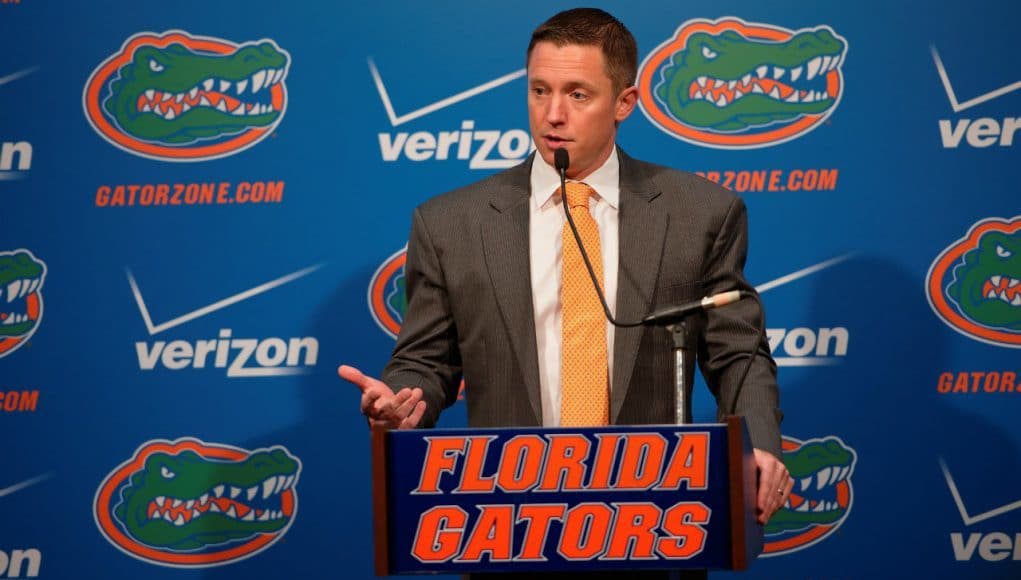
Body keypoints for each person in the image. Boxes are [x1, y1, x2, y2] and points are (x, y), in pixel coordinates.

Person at [340, 7, 791, 555]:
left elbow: (737, 354)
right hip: (503, 527)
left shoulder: (699, 214)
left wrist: (759, 445)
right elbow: (426, 361)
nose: (553, 114)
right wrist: (404, 400)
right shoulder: (450, 225)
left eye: (578, 95)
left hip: (655, 526)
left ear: (625, 102)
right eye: (539, 91)